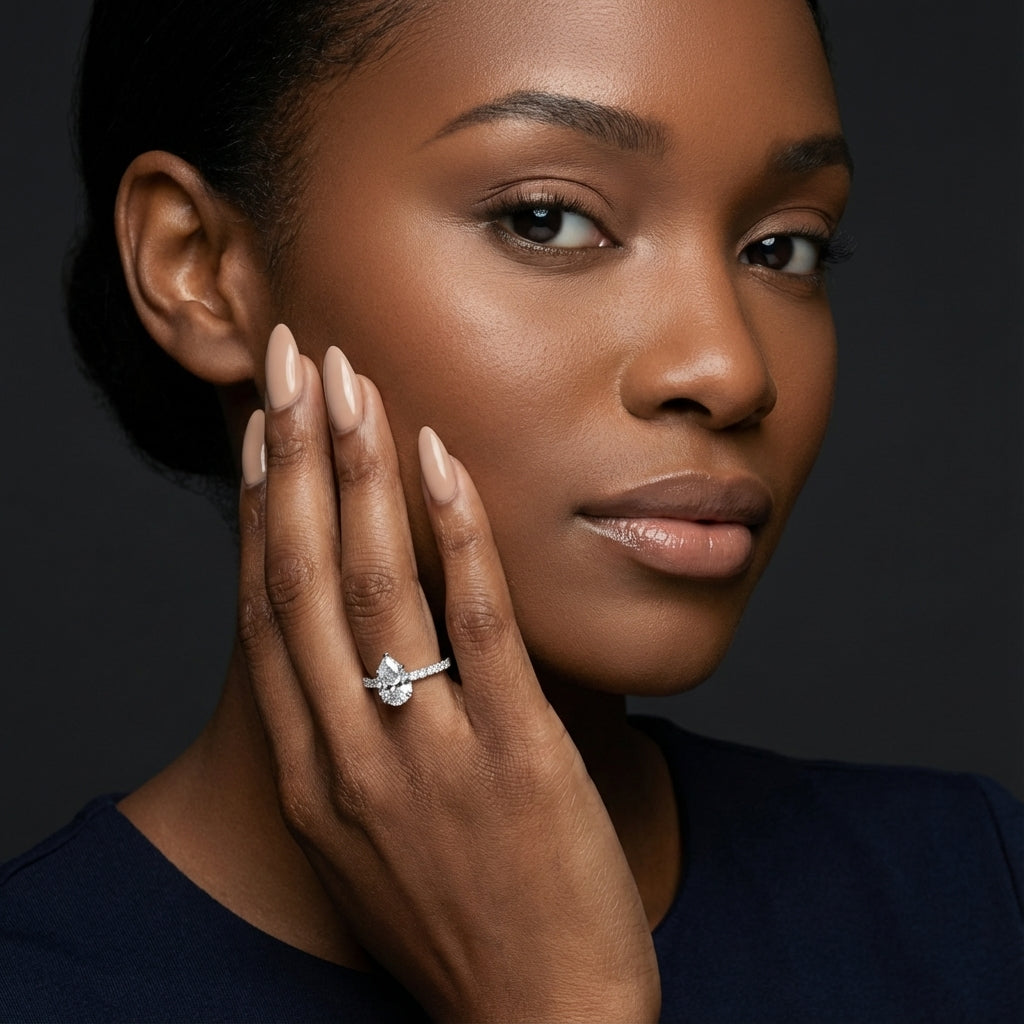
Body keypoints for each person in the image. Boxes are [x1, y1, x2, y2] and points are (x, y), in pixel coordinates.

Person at [1, 0, 1021, 1020]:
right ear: (199, 268)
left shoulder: (976, 899)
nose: (730, 370)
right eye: (547, 219)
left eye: (783, 247)